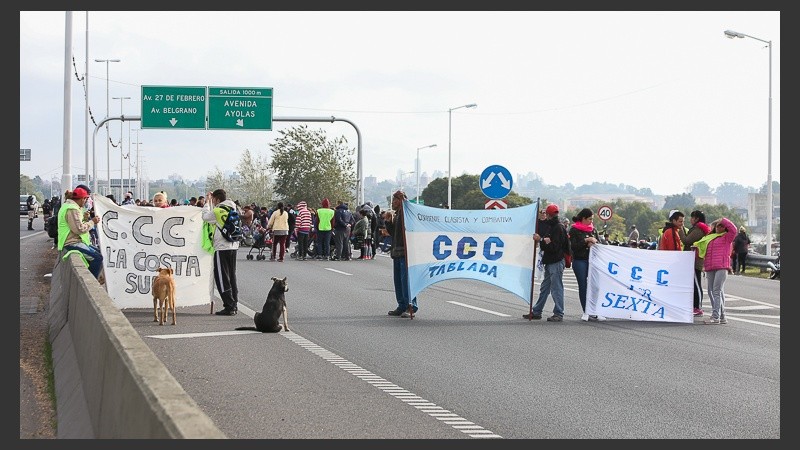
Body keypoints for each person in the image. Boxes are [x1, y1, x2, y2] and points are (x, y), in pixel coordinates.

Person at [524, 203, 567, 322]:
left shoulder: (557, 228)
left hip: (555, 261)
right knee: (545, 287)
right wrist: (545, 240)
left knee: (556, 287)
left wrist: (541, 240)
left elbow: (554, 247)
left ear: (548, 214)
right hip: (551, 261)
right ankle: (537, 311)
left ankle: (559, 312)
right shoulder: (553, 226)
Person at [202, 189, 240, 316]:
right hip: (233, 246)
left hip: (222, 247)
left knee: (222, 277)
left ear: (217, 199)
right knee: (232, 276)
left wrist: (207, 202)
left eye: (214, 200)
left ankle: (229, 306)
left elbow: (205, 217)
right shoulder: (234, 208)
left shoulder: (217, 211)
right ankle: (234, 303)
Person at [57, 187, 103, 280]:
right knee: (97, 258)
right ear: (82, 199)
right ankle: (91, 280)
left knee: (99, 253)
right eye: (86, 199)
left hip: (73, 240)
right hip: (71, 242)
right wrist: (92, 222)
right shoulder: (72, 209)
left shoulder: (68, 206)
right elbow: (79, 229)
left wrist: (85, 219)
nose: (85, 202)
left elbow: (74, 224)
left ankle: (96, 276)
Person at [700, 218, 737, 324]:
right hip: (710, 267)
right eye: (717, 226)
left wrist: (723, 220)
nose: (718, 228)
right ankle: (722, 316)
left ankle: (716, 316)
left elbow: (734, 229)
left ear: (724, 227)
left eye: (721, 226)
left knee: (717, 291)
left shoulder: (726, 237)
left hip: (721, 267)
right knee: (712, 291)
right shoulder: (710, 238)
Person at [386, 190, 418, 317]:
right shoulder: (398, 214)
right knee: (398, 281)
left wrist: (405, 200)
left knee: (407, 282)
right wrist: (388, 222)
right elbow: (394, 233)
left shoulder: (407, 213)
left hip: (405, 253)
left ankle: (411, 306)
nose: (392, 203)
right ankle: (402, 305)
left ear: (401, 201)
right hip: (397, 252)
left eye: (395, 200)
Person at [569, 208, 604, 322]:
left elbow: (599, 243)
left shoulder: (593, 230)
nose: (591, 221)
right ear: (583, 218)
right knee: (583, 285)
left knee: (596, 286)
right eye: (589, 219)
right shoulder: (574, 230)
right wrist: (585, 241)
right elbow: (573, 246)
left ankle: (595, 310)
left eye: (592, 219)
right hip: (580, 260)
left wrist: (594, 243)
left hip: (592, 260)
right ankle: (586, 310)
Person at [682, 210, 711, 316]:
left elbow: (686, 240)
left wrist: (681, 228)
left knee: (696, 284)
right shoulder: (697, 228)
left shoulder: (699, 229)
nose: (690, 219)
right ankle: (694, 306)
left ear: (697, 218)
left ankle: (698, 307)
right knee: (692, 284)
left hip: (695, 260)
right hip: (692, 259)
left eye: (692, 217)